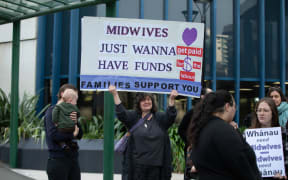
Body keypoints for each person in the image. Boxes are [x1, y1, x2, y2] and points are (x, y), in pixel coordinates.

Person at [187, 90, 262, 180]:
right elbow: (241, 166)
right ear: (227, 107)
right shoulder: (224, 131)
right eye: (234, 106)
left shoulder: (201, 128)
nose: (235, 110)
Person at [108, 85, 178, 180]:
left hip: (157, 169)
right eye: (143, 100)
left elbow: (170, 116)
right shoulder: (134, 117)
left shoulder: (160, 118)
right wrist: (115, 94)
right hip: (137, 169)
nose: (147, 102)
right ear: (138, 103)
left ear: (153, 102)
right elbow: (121, 114)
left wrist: (172, 100)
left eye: (149, 99)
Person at [44, 84, 83, 180]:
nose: (74, 102)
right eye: (73, 97)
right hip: (58, 159)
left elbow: (80, 134)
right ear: (63, 94)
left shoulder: (71, 112)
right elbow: (54, 135)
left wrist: (75, 123)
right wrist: (72, 134)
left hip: (73, 159)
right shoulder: (52, 111)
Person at [178, 87, 212, 180]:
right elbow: (181, 129)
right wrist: (191, 141)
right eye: (210, 95)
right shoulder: (192, 112)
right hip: (193, 151)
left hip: (208, 151)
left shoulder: (214, 113)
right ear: (202, 96)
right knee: (191, 175)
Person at [250, 97, 287, 179]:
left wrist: (284, 173)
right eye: (259, 110)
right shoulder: (248, 136)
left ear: (273, 113)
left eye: (265, 110)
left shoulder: (283, 134)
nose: (261, 113)